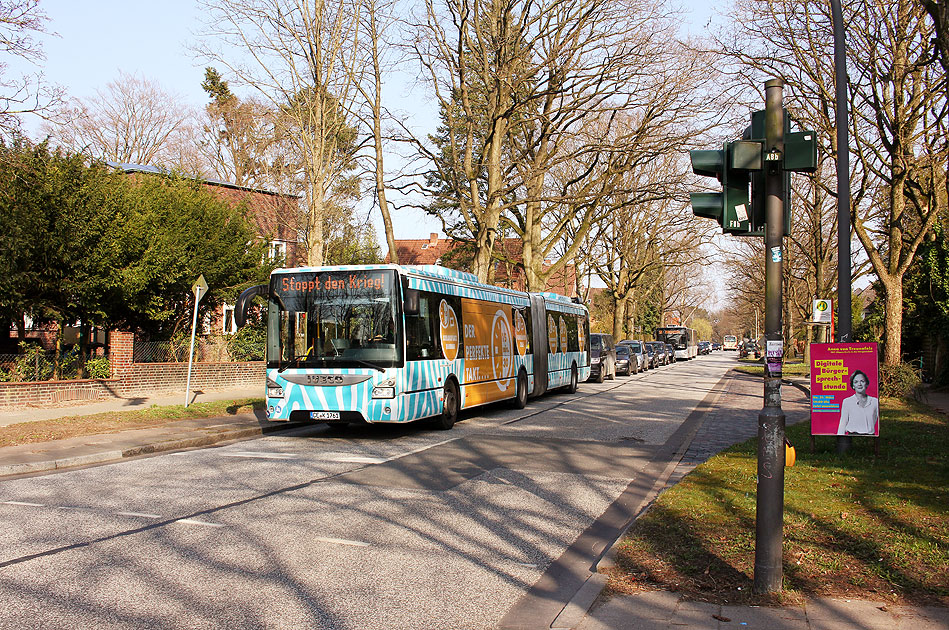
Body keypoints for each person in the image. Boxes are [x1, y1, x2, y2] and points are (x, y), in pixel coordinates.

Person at [837, 369, 879, 435]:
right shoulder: (847, 402)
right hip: (852, 436)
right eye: (856, 382)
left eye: (862, 381)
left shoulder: (875, 402)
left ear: (867, 384)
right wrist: (840, 439)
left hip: (870, 437)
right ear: (853, 386)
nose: (859, 384)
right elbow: (843, 423)